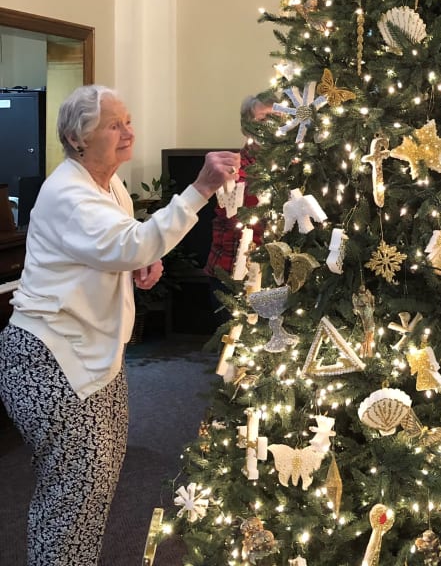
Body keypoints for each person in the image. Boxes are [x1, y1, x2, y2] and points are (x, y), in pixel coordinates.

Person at [0, 84, 239, 566]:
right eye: (115, 125)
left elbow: (119, 246)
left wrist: (133, 265)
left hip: (94, 354)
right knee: (71, 497)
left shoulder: (108, 185)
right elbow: (132, 244)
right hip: (52, 359)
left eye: (128, 120)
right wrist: (201, 189)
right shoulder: (69, 192)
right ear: (78, 138)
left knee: (95, 485)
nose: (129, 132)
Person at [205, 95, 273, 288]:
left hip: (276, 277)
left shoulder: (296, 169)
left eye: (278, 118)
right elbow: (238, 214)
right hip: (232, 275)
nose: (272, 126)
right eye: (263, 119)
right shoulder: (231, 168)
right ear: (246, 128)